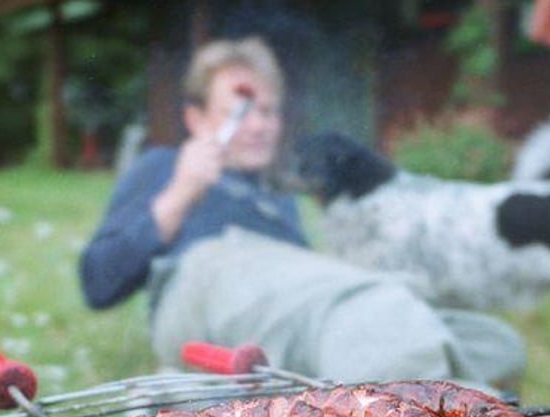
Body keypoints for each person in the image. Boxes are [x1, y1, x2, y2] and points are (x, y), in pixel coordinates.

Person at [78, 36, 526, 390]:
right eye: (240, 111)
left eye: (268, 111)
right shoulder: (162, 165)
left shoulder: (281, 197)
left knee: (493, 342)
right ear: (195, 120)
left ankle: (381, 391)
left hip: (284, 299)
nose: (258, 125)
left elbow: (305, 296)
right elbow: (98, 283)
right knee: (375, 320)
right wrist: (179, 194)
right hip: (204, 276)